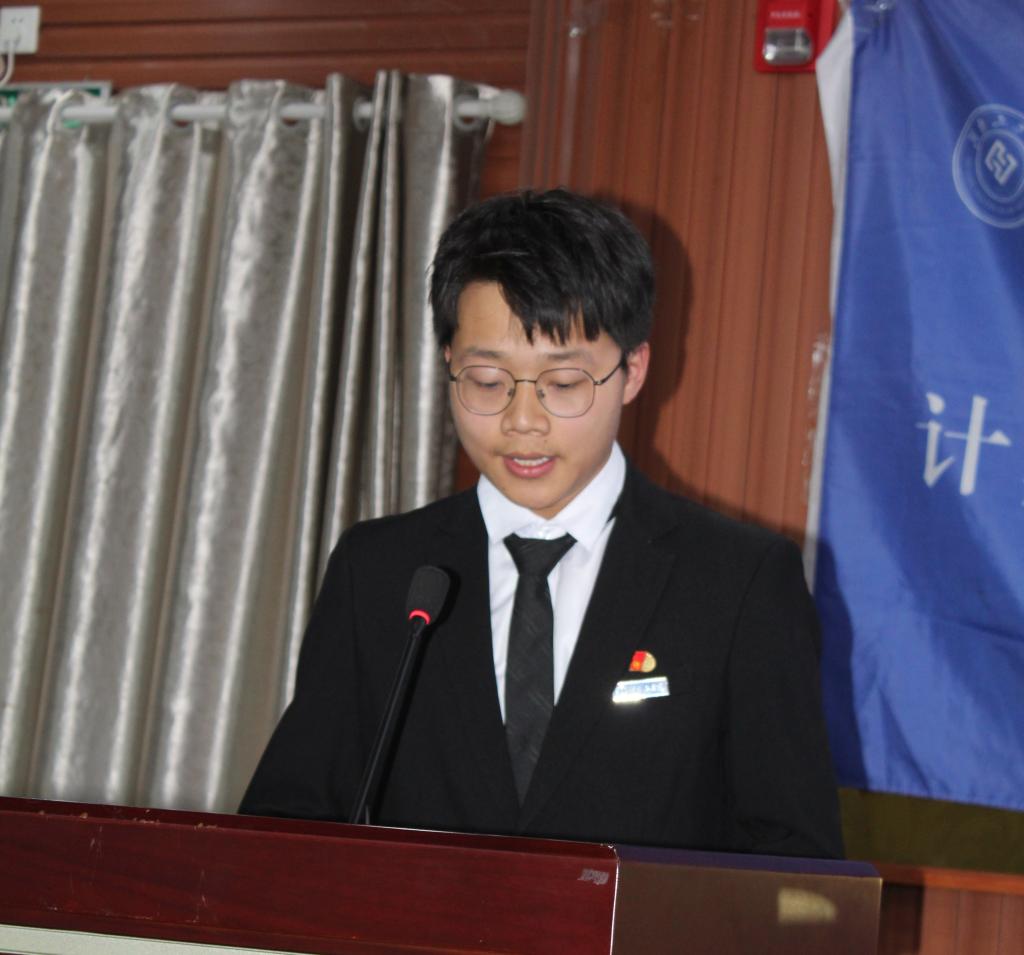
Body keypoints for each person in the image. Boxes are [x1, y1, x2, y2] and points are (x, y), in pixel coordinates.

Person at [240, 189, 844, 859]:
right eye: (487, 380)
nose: (522, 420)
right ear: (448, 364)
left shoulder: (738, 582)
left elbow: (795, 864)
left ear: (632, 371)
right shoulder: (380, 569)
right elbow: (284, 826)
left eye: (563, 383)